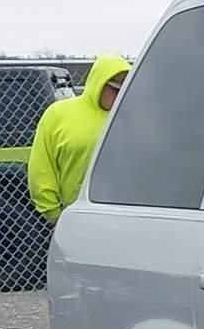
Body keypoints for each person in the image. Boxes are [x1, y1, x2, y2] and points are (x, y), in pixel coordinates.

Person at [26, 52, 132, 218]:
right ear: (99, 83)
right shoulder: (58, 114)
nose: (119, 96)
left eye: (125, 90)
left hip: (125, 215)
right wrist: (53, 215)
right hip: (75, 215)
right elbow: (41, 170)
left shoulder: (133, 118)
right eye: (114, 89)